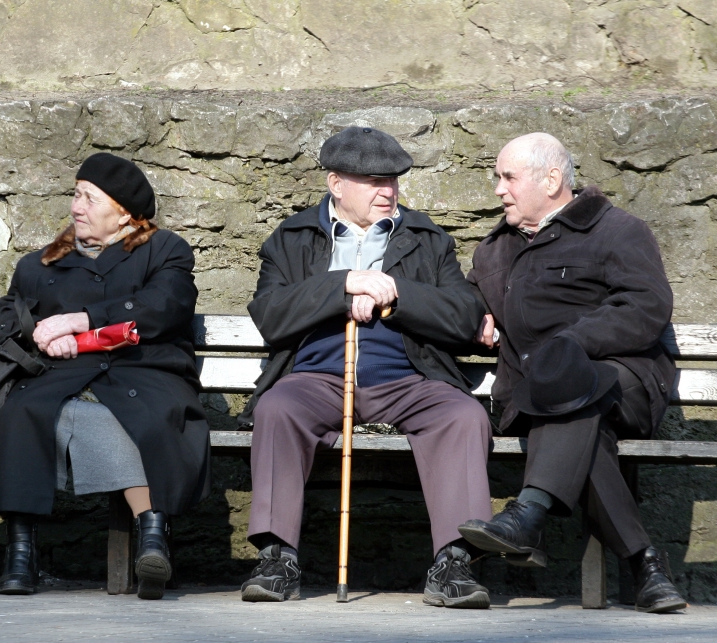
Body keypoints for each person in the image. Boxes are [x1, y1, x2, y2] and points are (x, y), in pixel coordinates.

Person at [238, 126, 494, 608]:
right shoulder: (291, 238)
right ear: (337, 185)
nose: (388, 191)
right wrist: (344, 286)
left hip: (410, 379)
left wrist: (395, 294)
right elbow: (269, 315)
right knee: (276, 409)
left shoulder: (426, 237)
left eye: (393, 180)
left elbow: (464, 316)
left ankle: (455, 562)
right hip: (316, 379)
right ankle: (277, 557)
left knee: (464, 417)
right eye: (375, 181)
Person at [461, 132, 686, 613]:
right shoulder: (494, 251)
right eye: (498, 177)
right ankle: (645, 564)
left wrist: (573, 343)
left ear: (552, 179)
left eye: (508, 177)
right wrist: (470, 316)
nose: (498, 189)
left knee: (571, 385)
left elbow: (647, 306)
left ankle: (529, 513)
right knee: (569, 407)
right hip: (535, 396)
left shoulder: (616, 230)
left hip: (625, 380)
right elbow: (466, 305)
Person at [0, 152, 210, 600]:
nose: (76, 207)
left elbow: (166, 307)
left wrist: (84, 320)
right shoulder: (39, 265)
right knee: (21, 412)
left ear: (124, 212)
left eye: (89, 197)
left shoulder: (164, 250)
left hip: (144, 372)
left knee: (144, 417)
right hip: (61, 376)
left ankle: (153, 540)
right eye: (76, 194)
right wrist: (42, 337)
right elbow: (2, 325)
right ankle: (21, 555)